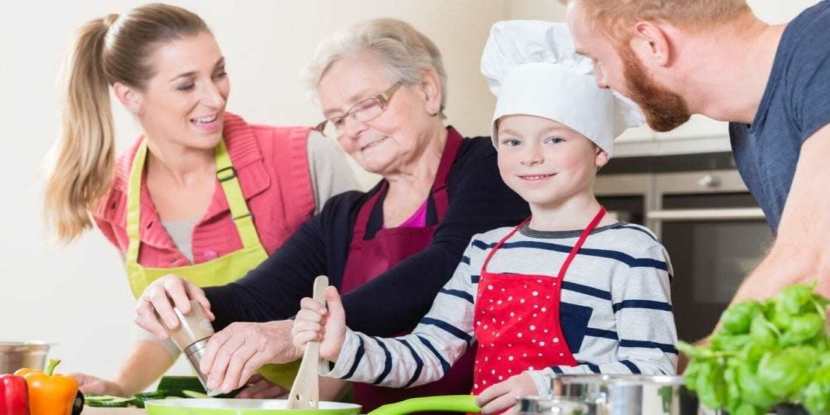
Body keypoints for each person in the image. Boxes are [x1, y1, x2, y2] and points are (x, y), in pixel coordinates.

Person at [134, 18, 530, 410]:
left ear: (427, 89)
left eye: (367, 105)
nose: (354, 129)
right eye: (338, 119)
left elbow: (446, 266)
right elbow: (253, 300)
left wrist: (300, 333)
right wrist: (186, 297)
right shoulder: (343, 218)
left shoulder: (493, 166)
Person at [291, 21, 678, 415]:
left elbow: (653, 377)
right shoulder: (486, 250)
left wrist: (550, 387)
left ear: (599, 150)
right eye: (512, 141)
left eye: (554, 139)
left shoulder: (631, 252)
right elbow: (427, 353)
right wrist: (344, 345)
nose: (530, 156)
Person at [43, 3, 357, 398]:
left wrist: (308, 396)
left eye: (219, 73)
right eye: (186, 84)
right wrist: (120, 386)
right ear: (129, 96)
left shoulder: (304, 157)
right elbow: (173, 325)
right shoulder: (117, 197)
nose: (215, 98)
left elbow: (377, 293)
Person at [561, 0, 830, 318]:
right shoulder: (746, 130)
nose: (601, 80)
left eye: (598, 59)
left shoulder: (823, 40)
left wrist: (707, 359)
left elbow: (813, 262)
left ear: (652, 43)